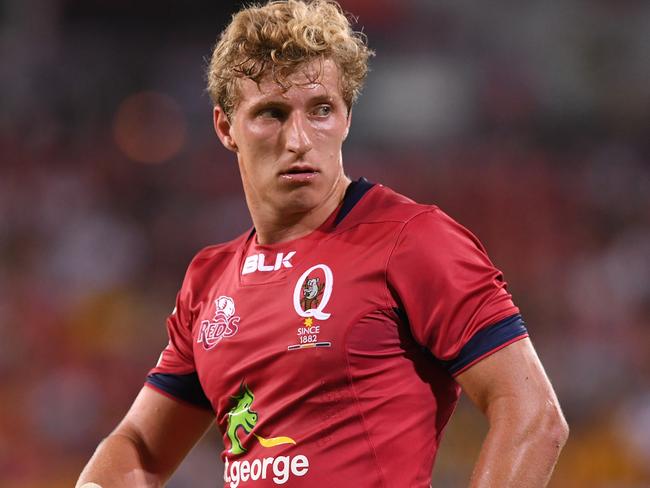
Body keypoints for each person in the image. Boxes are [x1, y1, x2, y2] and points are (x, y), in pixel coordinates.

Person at [77, 1, 568, 486]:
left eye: (320, 110)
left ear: (347, 117)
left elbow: (533, 415)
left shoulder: (413, 239)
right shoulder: (209, 282)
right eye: (271, 113)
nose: (299, 139)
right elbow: (138, 448)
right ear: (226, 128)